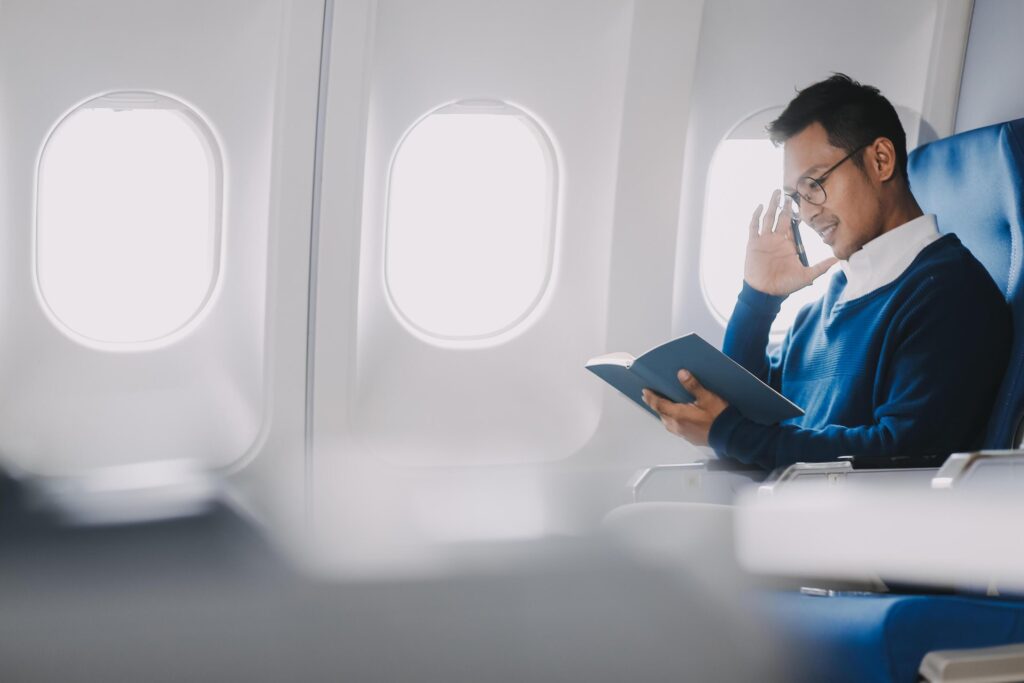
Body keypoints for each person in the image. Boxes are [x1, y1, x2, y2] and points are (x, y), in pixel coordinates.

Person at [642, 74, 1011, 471]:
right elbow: (747, 412)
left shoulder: (949, 294)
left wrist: (731, 433)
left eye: (814, 183)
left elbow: (903, 447)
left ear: (881, 160)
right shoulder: (827, 303)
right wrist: (758, 299)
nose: (807, 212)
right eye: (796, 196)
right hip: (793, 506)